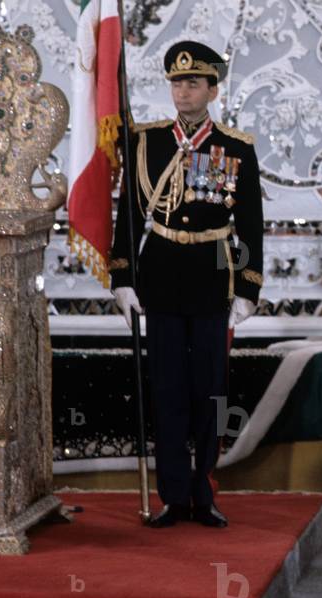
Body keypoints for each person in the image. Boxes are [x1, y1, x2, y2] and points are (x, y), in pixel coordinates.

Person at [109, 41, 264, 528]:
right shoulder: (145, 141)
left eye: (193, 82)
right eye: (177, 82)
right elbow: (130, 218)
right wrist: (123, 279)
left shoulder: (237, 148)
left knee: (212, 394)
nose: (183, 90)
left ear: (213, 89)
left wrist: (248, 289)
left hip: (213, 275)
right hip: (160, 274)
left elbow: (251, 225)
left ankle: (205, 492)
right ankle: (174, 496)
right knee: (168, 391)